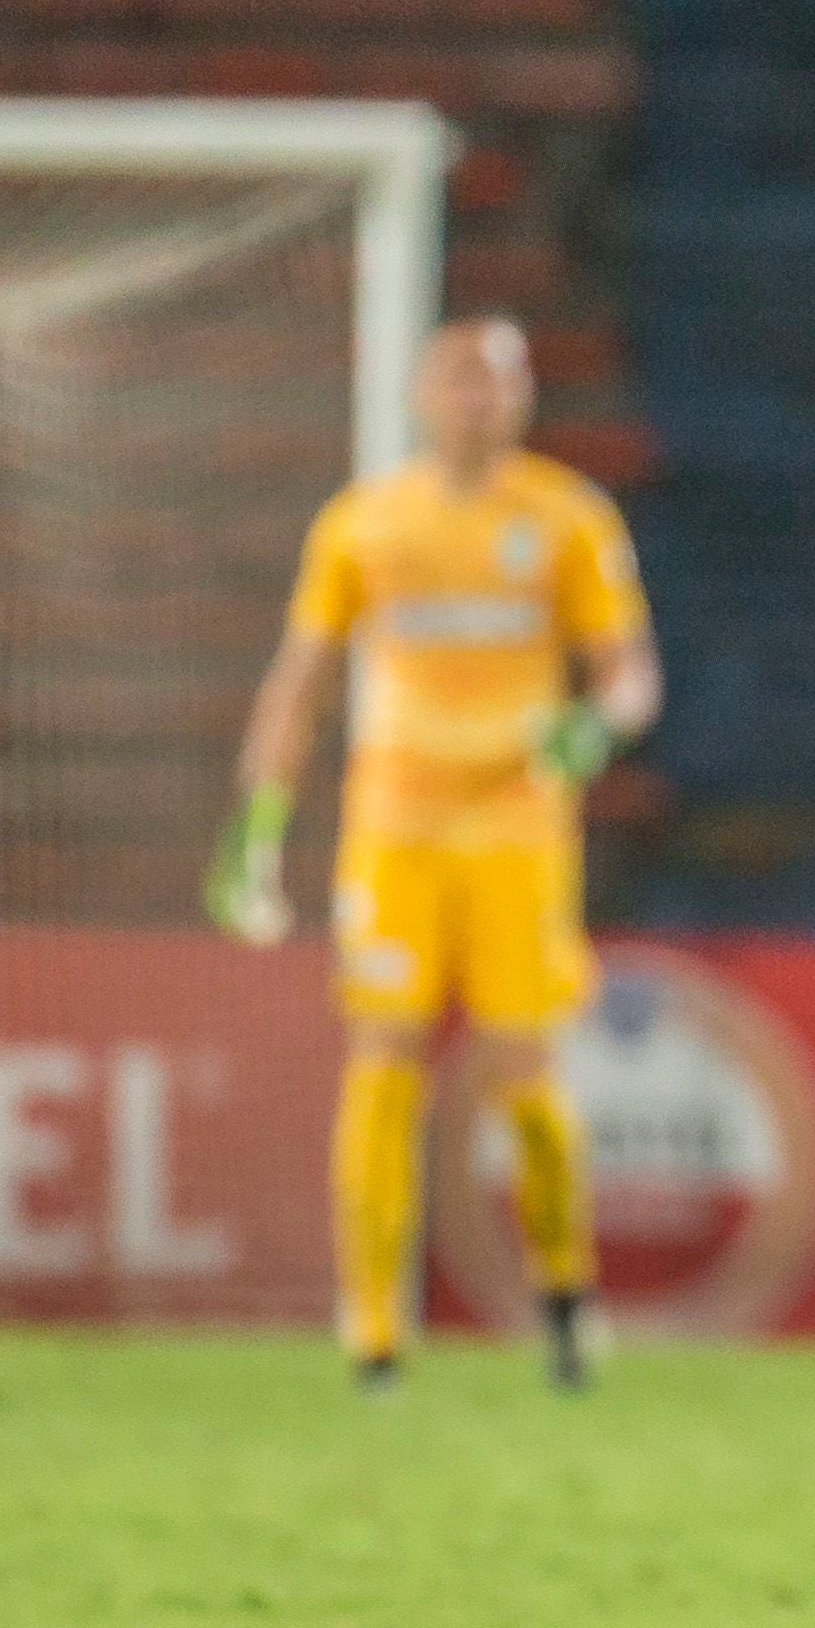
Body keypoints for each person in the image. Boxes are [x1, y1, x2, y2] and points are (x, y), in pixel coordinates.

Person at [208, 317, 660, 1392]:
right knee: (384, 1059)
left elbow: (631, 674)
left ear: (524, 398)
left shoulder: (566, 519)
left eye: (502, 380)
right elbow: (301, 682)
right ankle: (371, 1334)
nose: (481, 398)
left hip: (516, 825)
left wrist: (596, 727)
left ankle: (563, 1292)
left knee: (521, 1073)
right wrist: (255, 828)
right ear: (422, 394)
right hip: (395, 828)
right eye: (463, 378)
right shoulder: (364, 525)